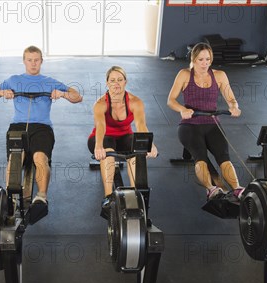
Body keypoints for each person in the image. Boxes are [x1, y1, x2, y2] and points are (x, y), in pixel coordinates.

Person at [0, 45, 82, 224]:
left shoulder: (49, 81)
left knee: (40, 159)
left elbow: (77, 96)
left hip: (42, 128)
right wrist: (1, 93)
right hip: (18, 126)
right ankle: (12, 199)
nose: (33, 63)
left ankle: (41, 197)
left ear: (41, 61)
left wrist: (62, 94)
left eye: (36, 60)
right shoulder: (14, 80)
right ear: (24, 61)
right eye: (29, 60)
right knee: (15, 159)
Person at [166, 42, 244, 201]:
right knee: (200, 157)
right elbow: (170, 100)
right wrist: (182, 109)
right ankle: (211, 189)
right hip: (190, 125)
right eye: (201, 59)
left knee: (224, 157)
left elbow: (231, 99)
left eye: (208, 59)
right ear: (194, 60)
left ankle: (237, 188)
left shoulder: (220, 75)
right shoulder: (184, 74)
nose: (205, 63)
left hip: (212, 123)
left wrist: (234, 107)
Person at [89, 66, 158, 215]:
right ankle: (108, 197)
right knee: (108, 151)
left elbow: (141, 124)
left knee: (137, 149)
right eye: (112, 80)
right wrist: (98, 146)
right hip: (103, 138)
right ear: (107, 83)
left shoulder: (135, 102)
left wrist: (149, 143)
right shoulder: (100, 104)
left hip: (124, 137)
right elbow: (100, 125)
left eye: (120, 80)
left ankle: (137, 195)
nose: (116, 83)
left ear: (125, 82)